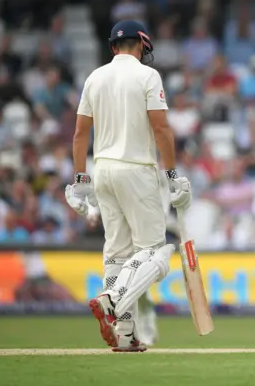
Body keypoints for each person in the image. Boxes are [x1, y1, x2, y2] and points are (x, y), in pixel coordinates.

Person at [64, 20, 192, 352]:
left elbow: (80, 135)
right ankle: (113, 298)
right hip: (137, 170)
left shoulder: (95, 77)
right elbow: (162, 129)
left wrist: (80, 180)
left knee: (118, 254)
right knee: (156, 253)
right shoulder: (147, 76)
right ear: (142, 45)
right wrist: (173, 175)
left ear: (112, 47)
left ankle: (125, 334)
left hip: (102, 170)